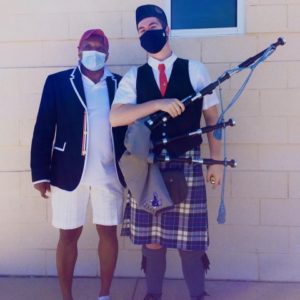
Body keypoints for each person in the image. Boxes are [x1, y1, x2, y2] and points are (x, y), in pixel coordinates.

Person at [110, 4, 223, 300]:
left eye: (152, 26)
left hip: (187, 164)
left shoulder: (195, 69)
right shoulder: (134, 77)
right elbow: (115, 116)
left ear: (167, 29)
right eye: (141, 30)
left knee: (190, 243)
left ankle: (198, 295)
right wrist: (158, 104)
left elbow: (213, 120)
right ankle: (153, 294)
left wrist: (217, 162)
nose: (148, 33)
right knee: (153, 241)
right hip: (147, 168)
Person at [30, 29, 127, 300]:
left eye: (99, 46)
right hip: (66, 173)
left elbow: (131, 129)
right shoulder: (58, 82)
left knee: (108, 234)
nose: (93, 50)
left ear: (107, 53)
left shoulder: (120, 84)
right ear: (79, 49)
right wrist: (40, 173)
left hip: (109, 174)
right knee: (68, 235)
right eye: (88, 45)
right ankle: (67, 297)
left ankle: (104, 294)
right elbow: (43, 128)